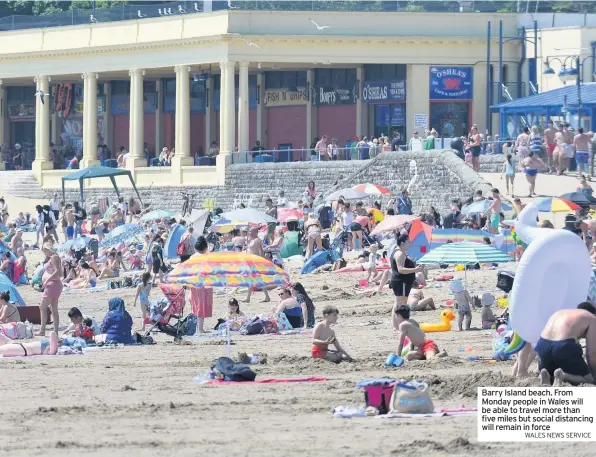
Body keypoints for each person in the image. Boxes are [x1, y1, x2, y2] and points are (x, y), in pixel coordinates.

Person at [536, 305, 596, 386]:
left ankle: (547, 377)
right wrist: (593, 375)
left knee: (551, 371)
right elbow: (591, 353)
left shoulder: (560, 313)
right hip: (563, 346)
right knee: (589, 379)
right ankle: (563, 376)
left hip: (542, 345)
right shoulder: (592, 318)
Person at [390, 234, 424, 310]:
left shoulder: (399, 252)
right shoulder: (399, 253)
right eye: (408, 241)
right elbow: (401, 269)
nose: (409, 243)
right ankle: (398, 321)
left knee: (398, 303)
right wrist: (416, 269)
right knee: (400, 304)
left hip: (401, 281)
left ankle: (396, 321)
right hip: (402, 281)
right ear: (402, 242)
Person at [189, 236, 213, 333]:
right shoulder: (207, 256)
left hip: (194, 282)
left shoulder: (193, 256)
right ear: (205, 247)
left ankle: (194, 326)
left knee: (195, 304)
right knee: (201, 305)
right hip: (204, 283)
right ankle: (200, 328)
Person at [37, 253, 62, 336]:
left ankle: (42, 330)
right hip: (55, 284)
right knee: (53, 309)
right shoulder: (53, 257)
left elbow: (58, 271)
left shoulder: (54, 257)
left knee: (42, 307)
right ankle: (55, 331)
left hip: (52, 284)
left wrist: (47, 280)